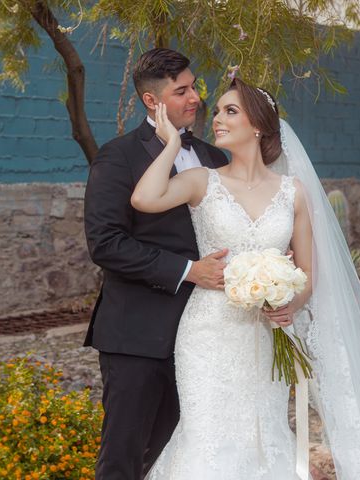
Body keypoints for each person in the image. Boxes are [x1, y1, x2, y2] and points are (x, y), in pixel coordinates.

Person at [131, 78, 360, 479]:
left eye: (230, 111)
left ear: (257, 125)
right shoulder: (201, 181)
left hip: (268, 335)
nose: (217, 119)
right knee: (208, 439)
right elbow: (144, 199)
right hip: (208, 335)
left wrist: (290, 303)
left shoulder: (293, 192)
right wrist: (171, 142)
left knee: (266, 435)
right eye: (219, 110)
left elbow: (308, 275)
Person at [83, 48, 228, 480]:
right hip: (136, 337)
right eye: (181, 91)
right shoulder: (118, 157)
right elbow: (106, 243)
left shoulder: (215, 157)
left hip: (204, 335)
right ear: (152, 101)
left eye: (194, 86)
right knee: (124, 459)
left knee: (182, 455)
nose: (195, 97)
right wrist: (188, 270)